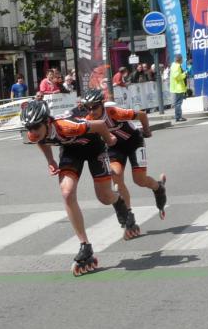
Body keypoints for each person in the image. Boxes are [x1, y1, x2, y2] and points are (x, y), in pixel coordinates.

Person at [21, 97, 130, 275]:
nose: (32, 131)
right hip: (71, 152)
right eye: (29, 128)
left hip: (94, 148)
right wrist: (50, 160)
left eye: (35, 127)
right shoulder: (34, 133)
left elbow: (101, 125)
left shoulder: (67, 126)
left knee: (104, 197)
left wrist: (109, 139)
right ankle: (85, 245)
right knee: (67, 193)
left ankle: (118, 200)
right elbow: (41, 141)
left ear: (47, 122)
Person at [77, 89, 169, 224]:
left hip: (134, 142)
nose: (91, 111)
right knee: (116, 175)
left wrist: (146, 130)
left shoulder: (114, 112)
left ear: (102, 104)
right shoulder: (89, 119)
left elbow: (142, 115)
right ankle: (128, 212)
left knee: (140, 180)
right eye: (87, 108)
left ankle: (158, 187)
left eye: (95, 107)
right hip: (115, 147)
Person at [169, 57, 188, 122]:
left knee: (178, 103)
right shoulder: (177, 66)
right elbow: (176, 76)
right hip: (178, 87)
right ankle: (178, 117)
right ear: (179, 60)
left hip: (177, 87)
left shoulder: (174, 65)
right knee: (178, 103)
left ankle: (178, 116)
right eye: (182, 59)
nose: (182, 60)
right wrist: (184, 74)